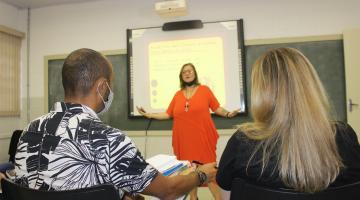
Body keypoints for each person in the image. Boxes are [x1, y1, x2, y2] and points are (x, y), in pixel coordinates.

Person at [13, 48, 217, 200]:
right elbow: (167, 190)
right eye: (111, 85)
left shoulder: (29, 131)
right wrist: (201, 175)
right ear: (102, 87)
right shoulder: (110, 140)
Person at [216, 47, 360, 199]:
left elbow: (227, 197)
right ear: (310, 86)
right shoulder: (345, 137)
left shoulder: (242, 142)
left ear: (261, 91)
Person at [137, 63, 239, 200]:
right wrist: (149, 115)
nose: (187, 73)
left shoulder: (205, 90)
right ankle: (193, 198)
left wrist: (227, 114)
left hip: (203, 139)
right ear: (181, 76)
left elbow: (217, 108)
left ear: (194, 73)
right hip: (184, 140)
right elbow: (168, 114)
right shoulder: (178, 95)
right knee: (190, 172)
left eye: (190, 71)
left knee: (210, 173)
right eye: (184, 72)